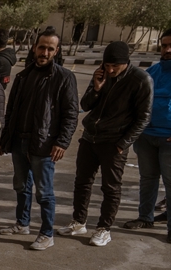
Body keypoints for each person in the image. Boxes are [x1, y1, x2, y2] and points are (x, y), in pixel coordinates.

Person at [58, 41, 153, 246]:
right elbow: (85, 104)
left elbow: (143, 118)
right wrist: (96, 88)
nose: (110, 70)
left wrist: (123, 143)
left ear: (126, 63)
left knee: (110, 187)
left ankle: (103, 229)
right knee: (82, 182)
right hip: (90, 137)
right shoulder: (101, 74)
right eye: (107, 65)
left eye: (114, 66)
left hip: (114, 142)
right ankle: (79, 222)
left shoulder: (141, 80)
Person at [0, 29, 79, 251]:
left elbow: (71, 114)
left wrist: (62, 142)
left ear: (57, 51)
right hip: (19, 142)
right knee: (21, 186)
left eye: (50, 49)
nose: (45, 52)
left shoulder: (64, 77)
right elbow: (12, 110)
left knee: (44, 192)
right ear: (34, 48)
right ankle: (22, 223)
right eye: (42, 47)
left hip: (43, 145)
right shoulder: (23, 76)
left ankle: (46, 233)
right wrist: (5, 140)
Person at [122, 28, 171, 243]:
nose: (167, 50)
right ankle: (145, 217)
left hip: (169, 138)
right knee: (148, 179)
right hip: (146, 136)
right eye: (164, 45)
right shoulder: (152, 72)